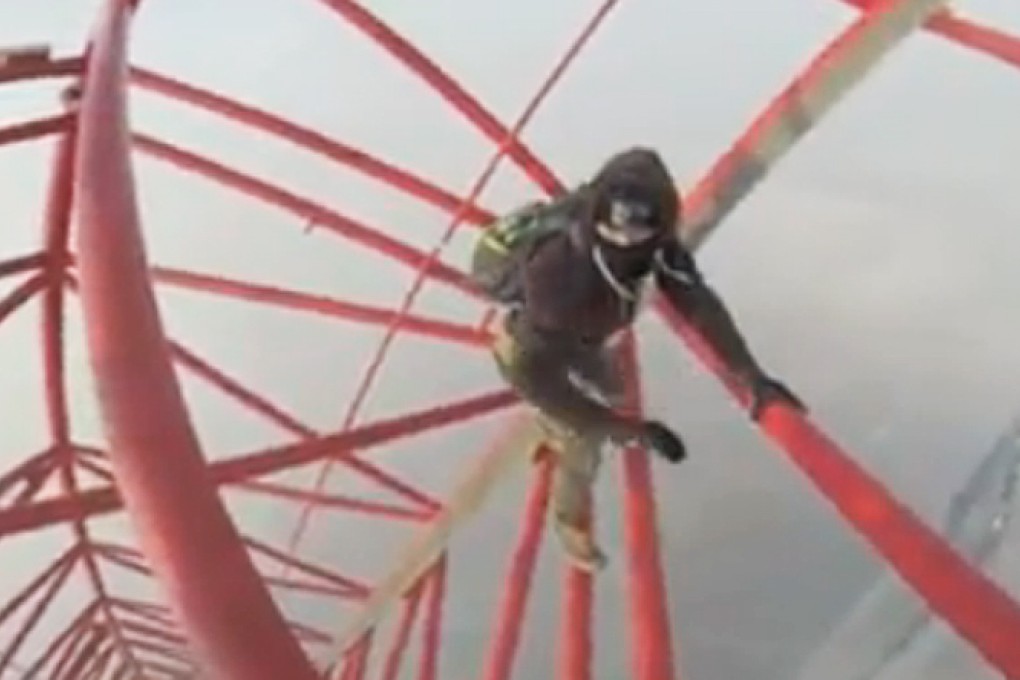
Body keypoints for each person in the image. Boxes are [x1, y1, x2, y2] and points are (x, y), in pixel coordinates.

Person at [470, 147, 803, 571]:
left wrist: (750, 374)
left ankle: (593, 404)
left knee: (612, 385)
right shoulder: (557, 274)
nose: (626, 234)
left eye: (641, 222)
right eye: (617, 220)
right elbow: (535, 378)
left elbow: (695, 300)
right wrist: (622, 428)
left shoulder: (654, 241)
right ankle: (571, 523)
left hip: (582, 331)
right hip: (532, 350)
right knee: (582, 436)